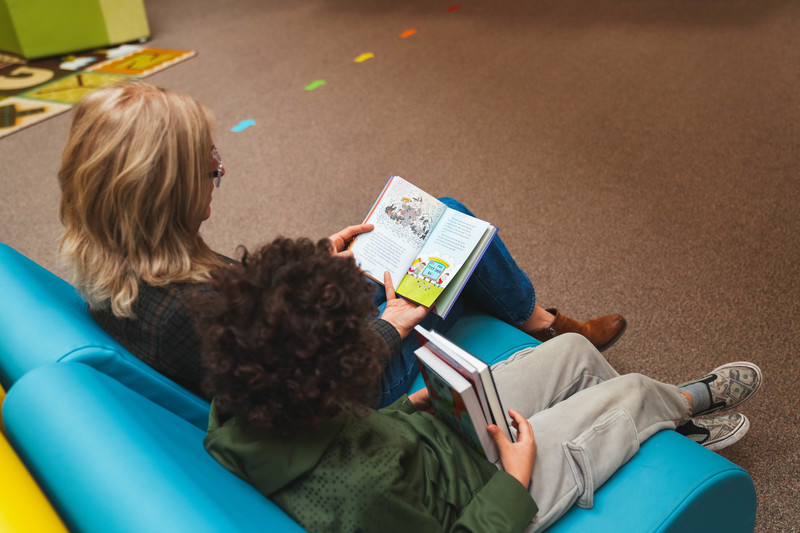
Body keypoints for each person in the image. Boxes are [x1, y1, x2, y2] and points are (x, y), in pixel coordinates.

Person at [57, 80, 625, 402]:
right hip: (360, 379)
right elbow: (309, 390)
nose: (218, 174)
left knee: (437, 221)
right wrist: (395, 323)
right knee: (451, 231)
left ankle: (539, 322)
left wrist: (312, 262)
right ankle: (545, 326)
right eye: (208, 168)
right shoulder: (187, 313)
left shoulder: (119, 263)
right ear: (165, 192)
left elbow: (256, 317)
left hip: (306, 334)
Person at [193, 237, 763, 533]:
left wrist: (411, 409)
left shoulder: (250, 399)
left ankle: (669, 425)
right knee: (633, 390)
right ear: (327, 379)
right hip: (488, 490)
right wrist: (514, 480)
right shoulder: (359, 493)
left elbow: (347, 434)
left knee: (572, 350)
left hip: (437, 442)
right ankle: (685, 402)